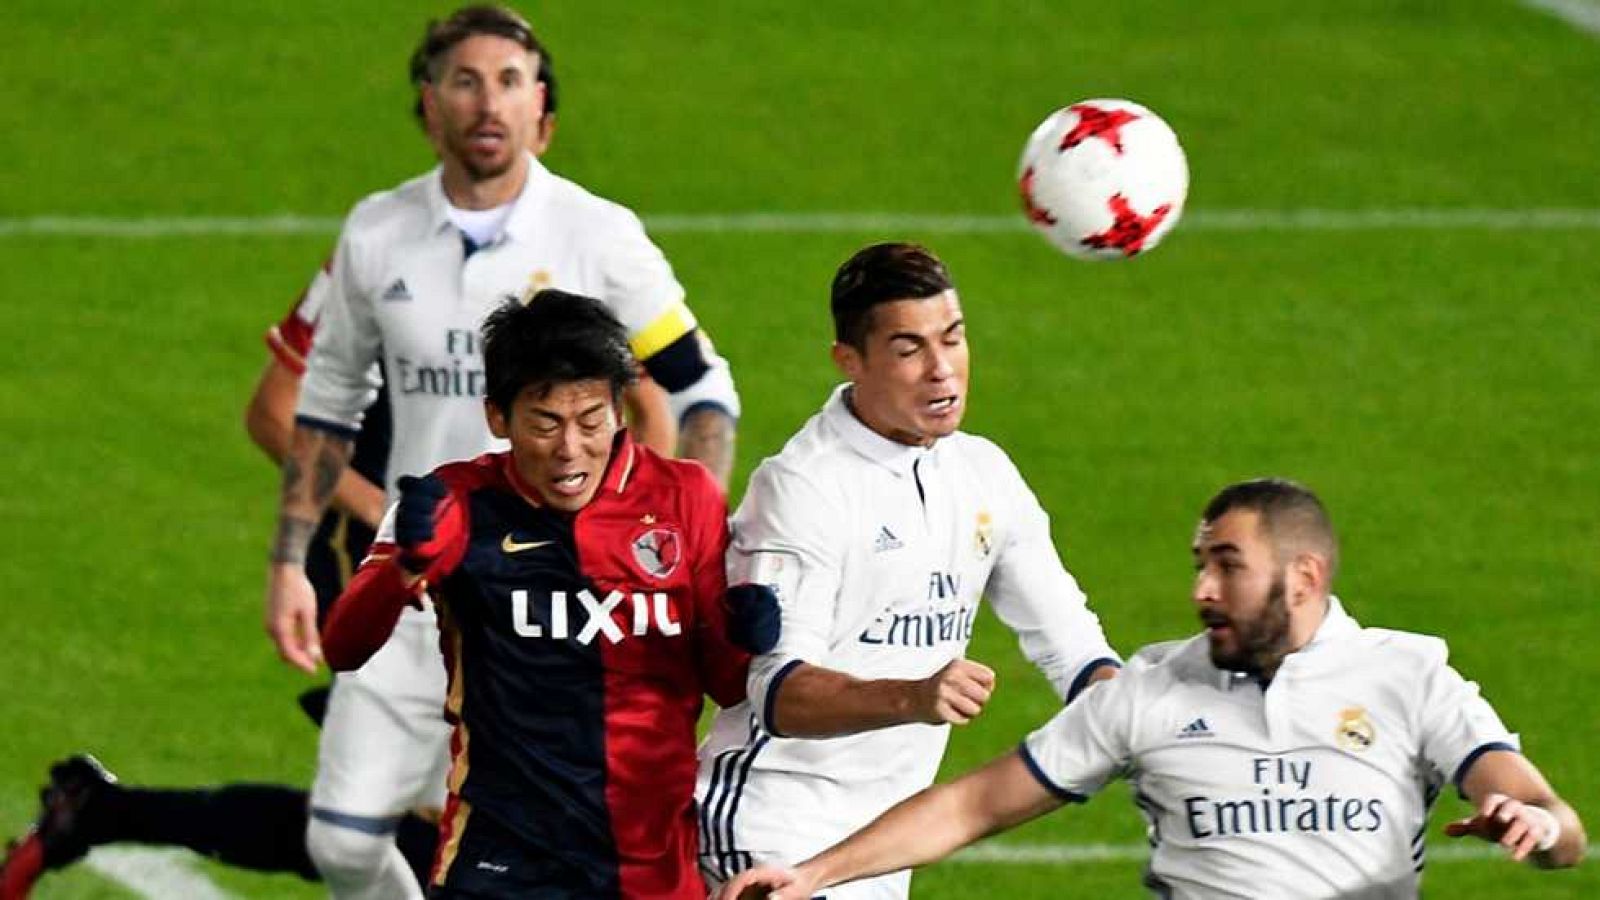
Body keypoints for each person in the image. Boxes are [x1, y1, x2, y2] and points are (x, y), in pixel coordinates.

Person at [263, 7, 742, 899]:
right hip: (423, 578)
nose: (490, 102)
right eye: (466, 80)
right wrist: (291, 559)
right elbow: (325, 406)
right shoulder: (375, 234)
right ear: (428, 104)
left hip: (567, 608)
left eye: (512, 81)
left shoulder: (599, 234)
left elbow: (701, 391)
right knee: (339, 841)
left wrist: (685, 542)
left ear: (543, 112)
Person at [719, 478, 1588, 900]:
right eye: (1199, 564)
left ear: (1305, 576)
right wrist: (812, 876)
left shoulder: (1409, 676)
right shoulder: (1152, 691)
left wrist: (1538, 823)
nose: (1201, 589)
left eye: (1228, 566)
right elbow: (972, 806)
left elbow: (1561, 832)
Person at [695, 242, 1120, 898]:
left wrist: (1126, 707)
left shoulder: (984, 474)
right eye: (908, 349)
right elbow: (778, 693)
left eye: (952, 339)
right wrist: (914, 696)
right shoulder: (803, 488)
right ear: (849, 360)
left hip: (882, 847)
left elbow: (1071, 643)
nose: (942, 371)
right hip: (770, 826)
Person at [321, 292, 754, 898]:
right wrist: (402, 570)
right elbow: (342, 645)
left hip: (650, 868)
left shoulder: (686, 498)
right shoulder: (454, 503)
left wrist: (748, 634)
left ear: (620, 410)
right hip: (502, 864)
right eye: (545, 423)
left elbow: (728, 684)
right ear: (498, 417)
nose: (570, 449)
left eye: (591, 420)